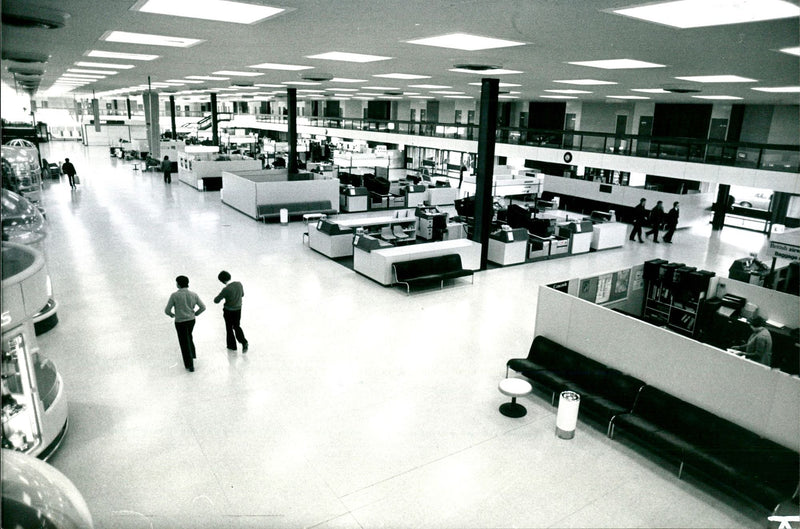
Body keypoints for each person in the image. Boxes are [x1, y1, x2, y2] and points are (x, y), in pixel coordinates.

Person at [164, 275, 206, 372]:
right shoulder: (194, 294)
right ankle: (193, 354)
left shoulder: (174, 295)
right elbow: (203, 307)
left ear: (178, 284)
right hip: (191, 320)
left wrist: (171, 315)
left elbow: (167, 310)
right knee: (189, 335)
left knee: (183, 342)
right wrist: (195, 313)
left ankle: (189, 364)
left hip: (180, 321)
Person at [213, 270, 248, 353]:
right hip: (238, 309)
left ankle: (232, 346)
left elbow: (216, 300)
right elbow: (242, 294)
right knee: (236, 326)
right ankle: (244, 341)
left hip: (229, 311)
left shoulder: (226, 289)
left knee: (229, 328)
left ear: (221, 281)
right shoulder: (239, 284)